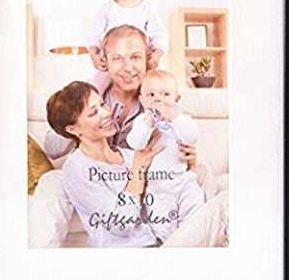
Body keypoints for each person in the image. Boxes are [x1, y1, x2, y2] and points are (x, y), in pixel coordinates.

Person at [46, 80, 227, 248]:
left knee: (219, 185)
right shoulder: (77, 168)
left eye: (102, 104)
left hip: (164, 242)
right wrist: (138, 171)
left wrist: (190, 164)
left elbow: (169, 195)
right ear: (73, 129)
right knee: (226, 203)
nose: (106, 113)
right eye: (93, 113)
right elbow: (120, 225)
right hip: (130, 254)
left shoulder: (129, 155)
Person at [44, 25, 196, 169]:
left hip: (137, 178)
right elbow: (52, 150)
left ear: (147, 60)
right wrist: (85, 103)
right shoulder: (93, 94)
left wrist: (189, 160)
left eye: (135, 57)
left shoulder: (162, 96)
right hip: (94, 174)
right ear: (105, 61)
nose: (128, 68)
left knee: (201, 169)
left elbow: (182, 141)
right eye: (117, 58)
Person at [126, 69, 204, 241]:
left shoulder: (182, 119)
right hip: (157, 184)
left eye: (165, 94)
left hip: (183, 179)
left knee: (195, 212)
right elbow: (135, 143)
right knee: (163, 225)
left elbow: (191, 137)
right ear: (142, 100)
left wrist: (174, 118)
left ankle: (194, 240)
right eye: (151, 95)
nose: (158, 99)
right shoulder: (141, 121)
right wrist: (148, 123)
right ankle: (170, 245)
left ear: (177, 99)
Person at [88, 0, 168, 94]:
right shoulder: (107, 10)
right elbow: (94, 34)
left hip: (141, 65)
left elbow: (159, 34)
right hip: (112, 65)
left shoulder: (146, 9)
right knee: (95, 87)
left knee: (158, 85)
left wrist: (156, 54)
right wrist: (94, 55)